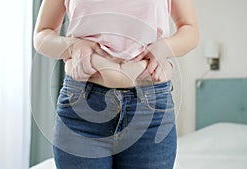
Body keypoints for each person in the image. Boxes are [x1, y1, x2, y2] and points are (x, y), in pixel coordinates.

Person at [33, 0, 199, 168]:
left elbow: (189, 29)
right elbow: (42, 34)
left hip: (151, 108)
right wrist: (73, 47)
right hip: (81, 108)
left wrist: (165, 47)